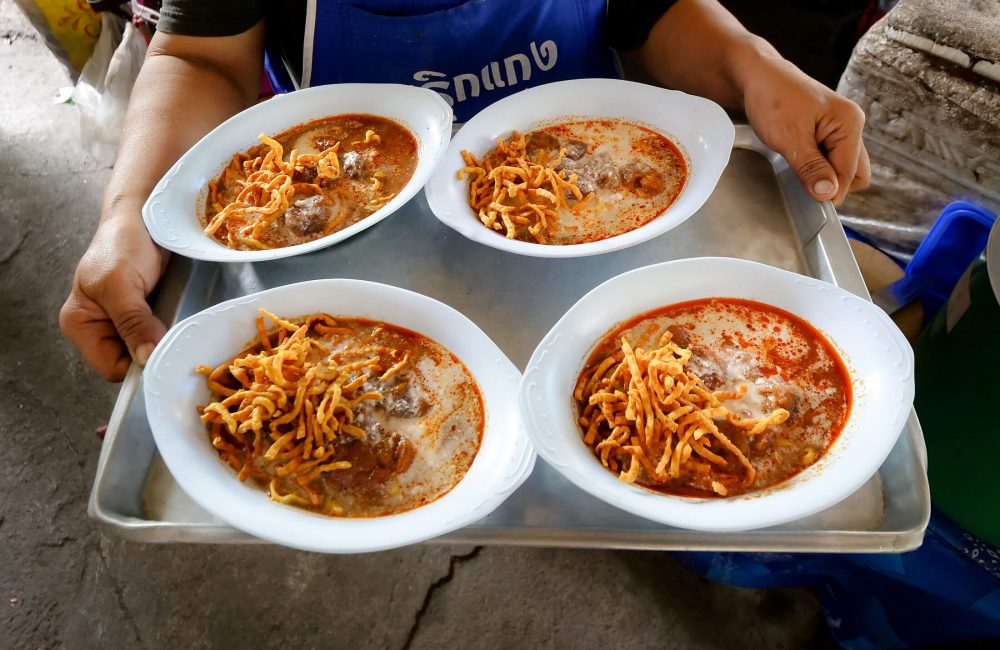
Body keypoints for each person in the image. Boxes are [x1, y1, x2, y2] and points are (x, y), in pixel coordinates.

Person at [60, 0, 870, 381]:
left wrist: (751, 65)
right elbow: (203, 57)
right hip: (374, 283)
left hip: (603, 225)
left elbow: (654, 10)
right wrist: (132, 212)